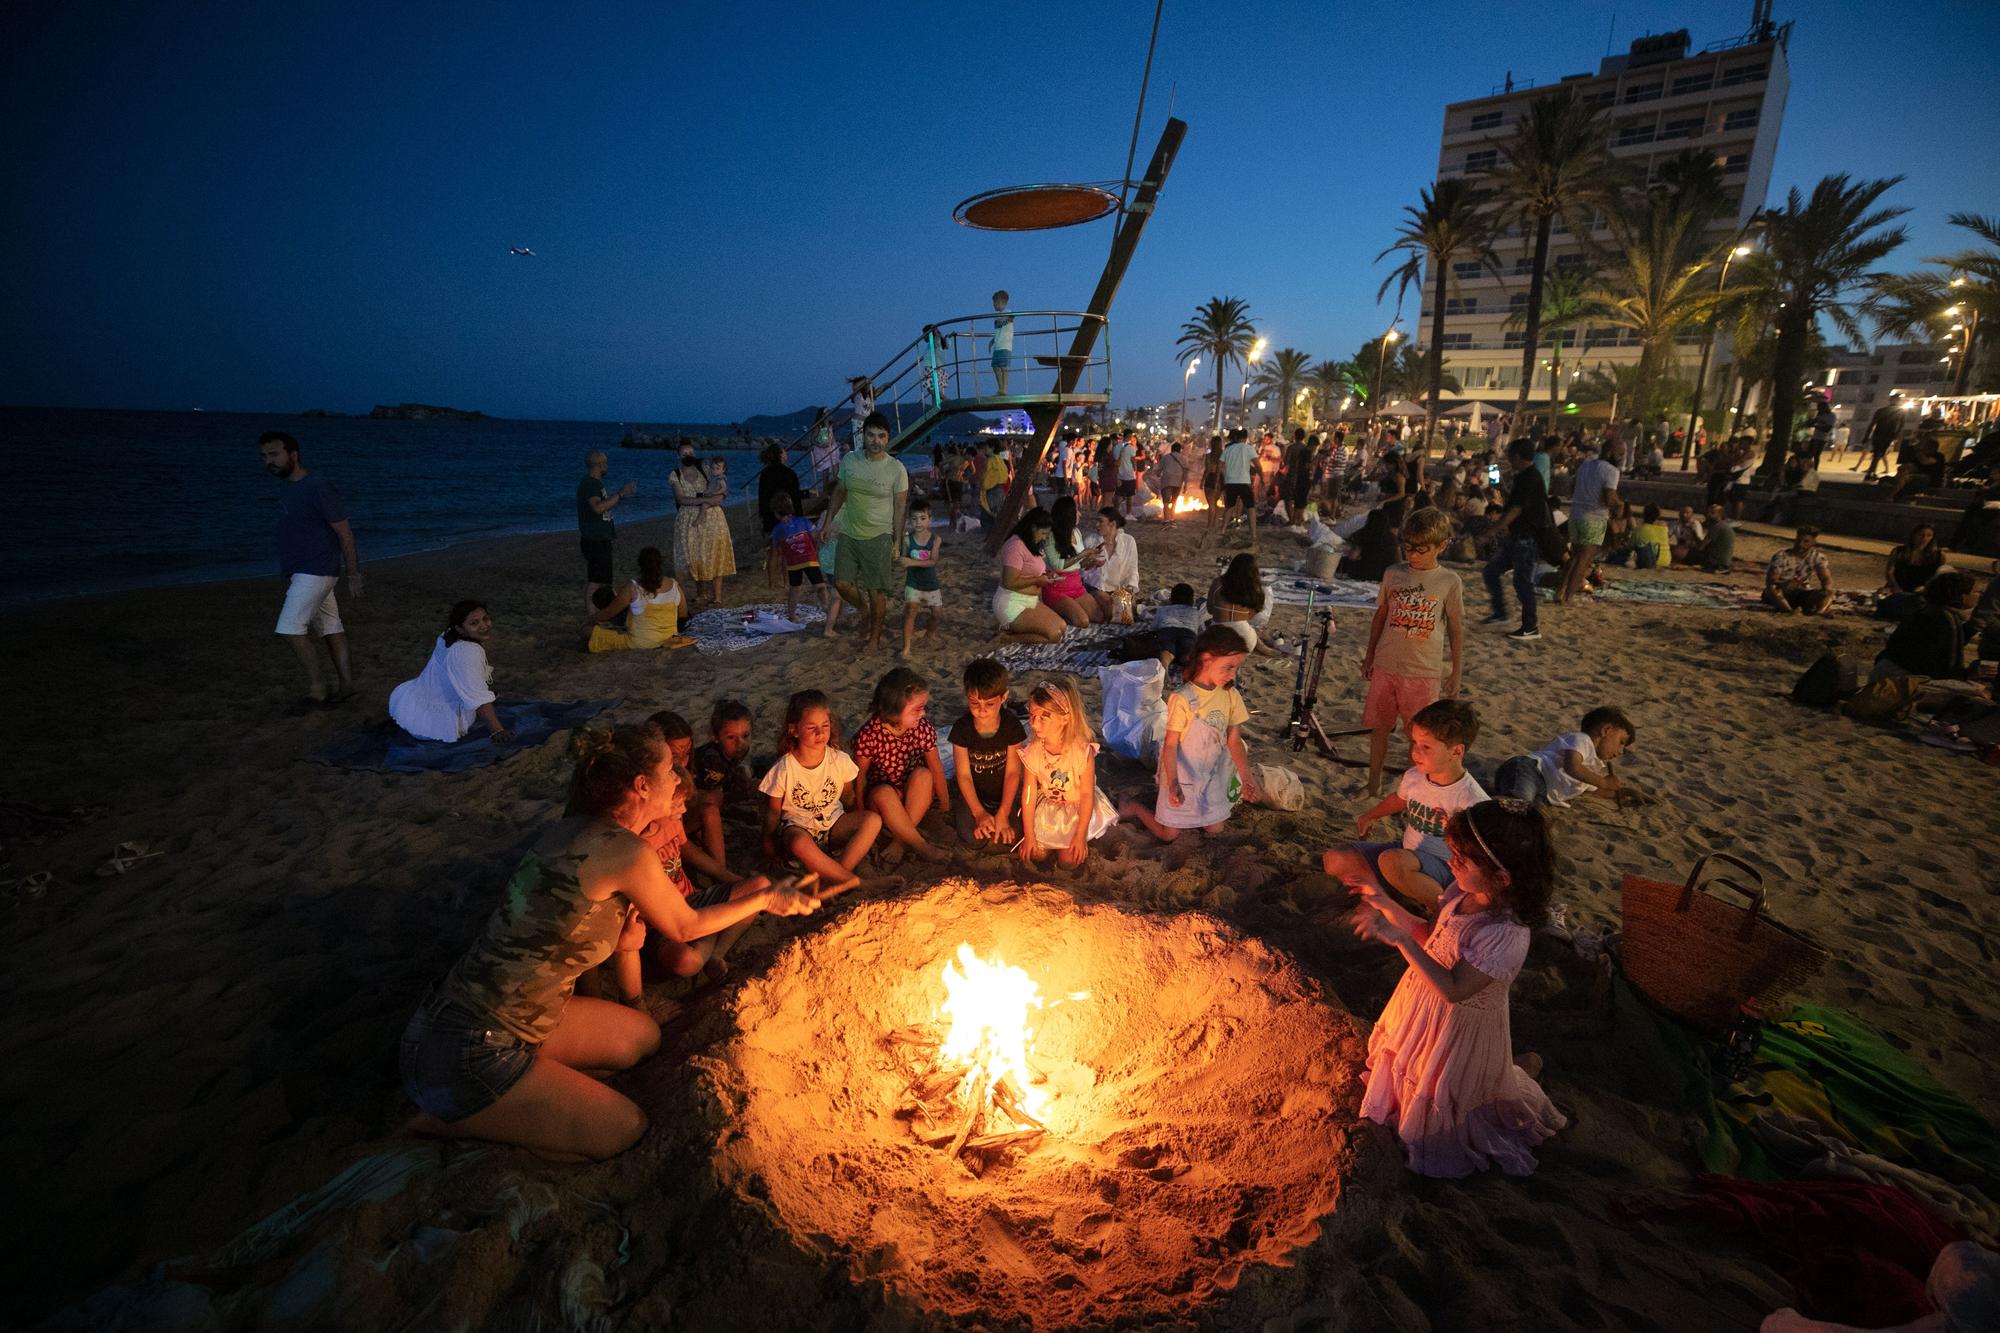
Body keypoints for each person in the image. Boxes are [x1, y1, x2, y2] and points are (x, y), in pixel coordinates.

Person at [400, 725, 820, 1158]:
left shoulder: (583, 824)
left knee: (641, 1037)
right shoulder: (622, 851)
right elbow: (685, 927)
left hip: (499, 1019)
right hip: (469, 1048)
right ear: (642, 786)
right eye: (669, 772)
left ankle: (524, 1091)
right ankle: (452, 1117)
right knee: (625, 1129)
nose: (678, 778)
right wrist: (766, 898)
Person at [1346, 799, 1567, 1178]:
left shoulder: (1504, 934)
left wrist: (1400, 941)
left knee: (1448, 1099)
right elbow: (1431, 936)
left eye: (1462, 860)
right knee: (1411, 1067)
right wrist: (1383, 904)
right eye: (1452, 854)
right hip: (1423, 1008)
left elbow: (1453, 989)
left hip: (1454, 1028)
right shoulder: (1461, 894)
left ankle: (1517, 1077)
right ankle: (1518, 1071)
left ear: (1502, 878)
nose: (1451, 864)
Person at [1324, 699, 1487, 914]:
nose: (1415, 753)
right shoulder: (1415, 776)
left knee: (1392, 862)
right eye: (1415, 743)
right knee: (1334, 860)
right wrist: (1370, 815)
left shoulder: (1471, 799)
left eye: (1425, 747)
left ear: (1456, 752)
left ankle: (1442, 910)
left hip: (1443, 867)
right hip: (1407, 854)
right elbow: (1398, 800)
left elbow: (1486, 850)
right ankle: (1394, 891)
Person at [1361, 508, 1465, 798]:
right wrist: (1370, 656)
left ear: (1441, 546)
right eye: (1408, 547)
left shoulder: (1449, 582)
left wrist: (1456, 671)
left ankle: (1412, 792)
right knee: (1379, 727)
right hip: (1386, 664)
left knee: (1418, 737)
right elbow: (1380, 616)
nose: (1413, 555)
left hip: (1423, 671)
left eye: (1421, 549)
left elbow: (1456, 628)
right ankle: (1373, 785)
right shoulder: (1393, 574)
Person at [1118, 626, 1259, 840]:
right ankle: (1135, 807)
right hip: (1182, 773)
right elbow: (1171, 745)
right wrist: (1173, 783)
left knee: (1214, 830)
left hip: (1212, 773)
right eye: (1228, 667)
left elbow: (1234, 740)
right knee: (1168, 835)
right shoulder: (1183, 698)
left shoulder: (1230, 695)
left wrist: (1246, 777)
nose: (1232, 674)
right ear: (1207, 658)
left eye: (1236, 669)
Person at [261, 431, 362, 709]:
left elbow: (344, 531)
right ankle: (347, 686)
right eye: (264, 456)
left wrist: (353, 573)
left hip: (316, 570)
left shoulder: (318, 485)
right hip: (305, 570)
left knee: (290, 628)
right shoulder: (293, 488)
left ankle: (318, 689)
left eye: (274, 454)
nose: (268, 461)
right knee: (331, 626)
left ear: (293, 455)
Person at [759, 690, 883, 894]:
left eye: (825, 726)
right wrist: (767, 846)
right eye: (811, 727)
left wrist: (859, 830)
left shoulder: (839, 760)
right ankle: (855, 882)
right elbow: (773, 813)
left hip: (833, 825)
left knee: (873, 821)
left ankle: (837, 877)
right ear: (794, 730)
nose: (820, 733)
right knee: (798, 842)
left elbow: (849, 797)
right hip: (799, 829)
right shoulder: (784, 768)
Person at [821, 411, 910, 650]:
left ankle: (874, 638)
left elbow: (900, 507)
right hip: (849, 532)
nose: (876, 441)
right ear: (863, 436)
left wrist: (897, 541)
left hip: (879, 535)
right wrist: (828, 521)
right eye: (871, 435)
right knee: (841, 583)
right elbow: (839, 491)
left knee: (876, 591)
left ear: (887, 438)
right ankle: (862, 609)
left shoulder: (896, 469)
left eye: (881, 436)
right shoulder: (850, 461)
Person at [1017, 676, 1116, 869]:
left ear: (1065, 717)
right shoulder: (1034, 751)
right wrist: (1029, 836)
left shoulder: (1081, 752)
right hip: (1049, 807)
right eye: (1032, 716)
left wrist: (1080, 837)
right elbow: (1028, 793)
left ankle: (1128, 808)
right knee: (1036, 854)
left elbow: (1087, 795)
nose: (1035, 723)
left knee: (1069, 861)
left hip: (1077, 809)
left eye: (1044, 716)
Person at [853, 667, 951, 863]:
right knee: (884, 792)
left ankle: (900, 841)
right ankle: (920, 845)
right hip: (883, 802)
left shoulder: (922, 729)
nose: (922, 714)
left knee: (924, 775)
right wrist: (860, 813)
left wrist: (946, 805)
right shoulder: (869, 734)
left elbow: (936, 767)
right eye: (916, 709)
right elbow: (860, 777)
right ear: (894, 709)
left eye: (923, 708)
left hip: (914, 797)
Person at [389, 601, 511, 744]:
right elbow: (478, 700)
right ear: (460, 628)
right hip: (431, 725)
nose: (484, 626)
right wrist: (497, 730)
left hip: (410, 707)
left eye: (485, 619)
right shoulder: (467, 652)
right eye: (474, 623)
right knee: (477, 703)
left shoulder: (447, 635)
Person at [948, 658, 1026, 849]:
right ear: (967, 697)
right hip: (974, 795)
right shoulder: (962, 729)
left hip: (1004, 794)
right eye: (975, 703)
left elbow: (1013, 773)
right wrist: (979, 812)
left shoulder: (1011, 727)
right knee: (973, 838)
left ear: (1004, 697)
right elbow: (964, 776)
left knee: (1014, 836)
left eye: (990, 704)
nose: (981, 711)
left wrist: (1003, 812)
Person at [1491, 706, 1638, 807]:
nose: (1620, 752)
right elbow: (1572, 767)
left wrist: (1623, 793)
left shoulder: (1591, 767)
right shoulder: (1581, 740)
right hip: (1530, 771)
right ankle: (1482, 806)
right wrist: (1604, 782)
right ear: (1606, 730)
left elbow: (1593, 789)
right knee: (1518, 805)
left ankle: (1498, 800)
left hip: (1542, 793)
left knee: (1527, 810)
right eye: (1621, 743)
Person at [1481, 439, 1552, 643]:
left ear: (1518, 456)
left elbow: (1517, 509)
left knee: (1522, 582)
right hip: (1517, 536)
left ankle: (1530, 626)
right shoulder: (1524, 477)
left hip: (1525, 536)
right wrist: (1501, 490)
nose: (1509, 460)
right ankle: (1500, 613)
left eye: (1511, 456)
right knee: (1491, 571)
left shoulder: (1530, 477)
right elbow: (1515, 503)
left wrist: (1492, 531)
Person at [1874, 572, 1982, 683]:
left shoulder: (1933, 612)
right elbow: (1932, 664)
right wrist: (1966, 673)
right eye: (1976, 592)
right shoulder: (1941, 620)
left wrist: (1971, 628)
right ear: (1962, 596)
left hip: (1891, 672)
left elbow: (1941, 647)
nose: (1980, 595)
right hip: (1900, 680)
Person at [583, 546, 688, 653]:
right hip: (668, 639)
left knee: (586, 630)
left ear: (640, 565)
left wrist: (592, 618)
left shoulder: (632, 587)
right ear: (660, 563)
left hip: (639, 642)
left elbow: (608, 613)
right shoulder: (674, 585)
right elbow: (683, 615)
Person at [690, 699, 755, 869]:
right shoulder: (713, 760)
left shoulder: (730, 753)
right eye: (731, 737)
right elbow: (709, 796)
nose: (740, 743)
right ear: (715, 737)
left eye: (745, 735)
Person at [1559, 442, 1621, 605]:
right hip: (1594, 518)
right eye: (1620, 454)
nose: (1622, 458)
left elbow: (1571, 488)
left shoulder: (1585, 466)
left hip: (1576, 515)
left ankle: (1560, 590)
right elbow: (1609, 497)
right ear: (1610, 453)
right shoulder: (1611, 471)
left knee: (1574, 556)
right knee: (1584, 560)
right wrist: (1618, 505)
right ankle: (1568, 597)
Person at [993, 508, 1067, 643]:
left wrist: (1046, 575)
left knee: (1062, 626)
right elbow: (1009, 582)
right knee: (1054, 635)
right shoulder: (1015, 546)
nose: (1044, 537)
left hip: (1029, 599)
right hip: (1011, 602)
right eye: (1043, 533)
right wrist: (1038, 580)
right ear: (1033, 528)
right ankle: (1008, 637)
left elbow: (1031, 570)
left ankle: (1014, 628)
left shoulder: (1031, 543)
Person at [577, 450, 636, 610]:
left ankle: (601, 612)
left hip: (599, 537)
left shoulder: (594, 483)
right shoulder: (591, 484)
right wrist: (621, 494)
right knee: (596, 581)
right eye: (606, 463)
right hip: (595, 539)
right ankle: (594, 616)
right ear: (600, 464)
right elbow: (597, 508)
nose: (607, 466)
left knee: (601, 579)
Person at [767, 492, 829, 622]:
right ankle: (794, 614)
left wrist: (772, 577)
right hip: (798, 562)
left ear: (776, 513)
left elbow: (775, 553)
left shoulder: (797, 523)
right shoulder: (787, 526)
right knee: (804, 587)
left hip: (806, 561)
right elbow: (815, 537)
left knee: (815, 586)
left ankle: (825, 609)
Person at [1040, 495, 1098, 628]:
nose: (1080, 514)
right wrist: (1082, 555)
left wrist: (1090, 562)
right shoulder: (1051, 537)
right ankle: (1056, 610)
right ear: (1067, 515)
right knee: (1082, 621)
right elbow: (1058, 565)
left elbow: (1078, 565)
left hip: (1076, 584)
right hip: (1058, 587)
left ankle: (1069, 610)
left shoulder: (1076, 532)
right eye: (1076, 511)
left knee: (1098, 616)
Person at [1207, 552, 1276, 656]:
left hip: (1217, 636)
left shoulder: (1218, 583)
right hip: (1244, 638)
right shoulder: (1255, 590)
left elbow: (1210, 610)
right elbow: (1251, 616)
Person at [898, 497, 943, 654]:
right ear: (909, 520)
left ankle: (930, 633)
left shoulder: (936, 540)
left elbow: (933, 561)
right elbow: (902, 559)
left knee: (937, 614)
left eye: (923, 518)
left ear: (930, 520)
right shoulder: (907, 540)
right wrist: (898, 556)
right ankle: (906, 647)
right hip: (913, 583)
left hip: (931, 584)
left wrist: (911, 562)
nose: (918, 522)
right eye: (914, 519)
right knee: (910, 613)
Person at [1875, 523, 1944, 620]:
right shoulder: (1899, 552)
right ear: (1914, 535)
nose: (1924, 538)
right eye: (1921, 535)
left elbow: (1937, 576)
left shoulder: (1937, 555)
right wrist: (1896, 587)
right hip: (1898, 587)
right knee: (1881, 596)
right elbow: (1889, 572)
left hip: (1920, 590)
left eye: (1929, 535)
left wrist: (1925, 589)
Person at [1082, 506, 1139, 624]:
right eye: (1096, 521)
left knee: (1127, 612)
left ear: (1112, 524)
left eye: (1100, 521)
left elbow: (1133, 569)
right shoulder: (1091, 541)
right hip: (1097, 587)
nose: (1097, 525)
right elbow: (1081, 571)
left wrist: (1130, 588)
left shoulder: (1128, 541)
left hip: (1119, 588)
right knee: (1115, 613)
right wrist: (1091, 563)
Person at [1764, 526, 1835, 616]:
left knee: (1829, 593)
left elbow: (1825, 578)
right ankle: (1789, 611)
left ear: (1814, 542)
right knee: (1772, 589)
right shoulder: (1782, 556)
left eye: (1806, 542)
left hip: (1802, 593)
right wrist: (1784, 583)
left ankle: (1820, 613)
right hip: (1782, 592)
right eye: (1798, 541)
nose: (1800, 544)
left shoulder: (1818, 557)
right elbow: (1771, 580)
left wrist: (1826, 589)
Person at [1215, 427, 1260, 550]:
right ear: (1245, 438)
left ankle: (1222, 530)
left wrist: (1219, 480)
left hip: (1230, 482)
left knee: (1229, 507)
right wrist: (1261, 476)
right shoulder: (1249, 449)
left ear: (1236, 437)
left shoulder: (1228, 449)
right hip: (1244, 482)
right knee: (1250, 508)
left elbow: (1219, 465)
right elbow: (1257, 464)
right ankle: (1253, 534)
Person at [756, 441, 805, 538]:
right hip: (788, 516)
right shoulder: (789, 473)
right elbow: (795, 497)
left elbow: (762, 496)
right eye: (784, 451)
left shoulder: (765, 473)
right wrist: (799, 518)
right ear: (780, 455)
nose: (786, 453)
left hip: (771, 516)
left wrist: (764, 516)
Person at [1153, 583, 1202, 669]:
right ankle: (1185, 659)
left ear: (1171, 599)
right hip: (1188, 632)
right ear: (1191, 600)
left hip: (1167, 629)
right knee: (1187, 650)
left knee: (1167, 649)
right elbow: (1197, 629)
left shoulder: (1163, 609)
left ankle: (1165, 664)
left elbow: (1154, 627)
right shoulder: (1195, 612)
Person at [1688, 502, 1737, 573]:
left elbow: (1701, 546)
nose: (1708, 514)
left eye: (1712, 513)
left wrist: (1694, 533)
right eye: (1708, 512)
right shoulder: (1723, 525)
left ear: (1720, 515)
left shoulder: (1717, 527)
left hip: (1716, 562)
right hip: (1724, 561)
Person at [1861, 404, 1900, 480]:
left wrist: (1866, 436)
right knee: (1878, 454)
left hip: (1879, 435)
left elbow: (1872, 424)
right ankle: (1871, 473)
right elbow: (1899, 426)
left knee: (1877, 454)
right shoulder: (1899, 412)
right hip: (1886, 436)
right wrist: (1895, 436)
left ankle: (1871, 472)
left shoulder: (1881, 411)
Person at [1630, 504, 1673, 570]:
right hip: (1666, 561)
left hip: (1648, 562)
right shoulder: (1664, 528)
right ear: (1658, 516)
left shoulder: (1638, 529)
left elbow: (1631, 546)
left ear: (1644, 515)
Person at [1156, 440, 1189, 519]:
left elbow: (1159, 470)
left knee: (1166, 502)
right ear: (1180, 450)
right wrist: (1185, 486)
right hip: (1178, 482)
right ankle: (1172, 518)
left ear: (1172, 449)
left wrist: (1158, 475)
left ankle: (1167, 520)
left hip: (1167, 481)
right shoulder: (1184, 459)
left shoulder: (1165, 457)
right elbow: (1186, 473)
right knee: (1174, 501)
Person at [989, 290, 1014, 394]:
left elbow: (1011, 317)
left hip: (1005, 345)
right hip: (997, 345)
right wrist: (992, 340)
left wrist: (1006, 319)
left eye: (994, 302)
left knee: (1004, 367)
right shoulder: (997, 315)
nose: (993, 304)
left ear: (1000, 302)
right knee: (995, 366)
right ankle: (1000, 388)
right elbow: (997, 330)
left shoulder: (1008, 312)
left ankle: (1004, 389)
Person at [1113, 430, 1139, 518]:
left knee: (1119, 494)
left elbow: (1115, 460)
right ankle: (1128, 514)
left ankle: (1116, 513)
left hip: (1119, 474)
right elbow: (1133, 460)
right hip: (1129, 474)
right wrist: (1135, 469)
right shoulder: (1131, 448)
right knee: (1130, 495)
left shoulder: (1116, 447)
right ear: (1129, 436)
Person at [847, 376, 877, 450]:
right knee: (859, 444)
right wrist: (865, 380)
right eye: (866, 385)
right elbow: (855, 387)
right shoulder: (858, 395)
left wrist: (885, 385)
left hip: (867, 423)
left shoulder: (869, 396)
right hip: (859, 422)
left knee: (869, 442)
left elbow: (878, 392)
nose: (868, 386)